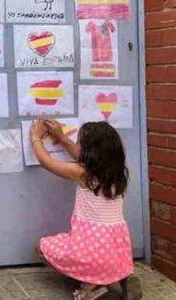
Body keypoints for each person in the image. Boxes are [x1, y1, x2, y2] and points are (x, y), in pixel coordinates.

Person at [30, 120, 141, 300]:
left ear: (90, 151)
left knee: (41, 247)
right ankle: (124, 278)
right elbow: (83, 157)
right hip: (118, 253)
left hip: (90, 253)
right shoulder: (117, 172)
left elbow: (46, 162)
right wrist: (63, 138)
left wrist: (36, 138)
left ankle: (92, 287)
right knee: (110, 259)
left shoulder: (82, 173)